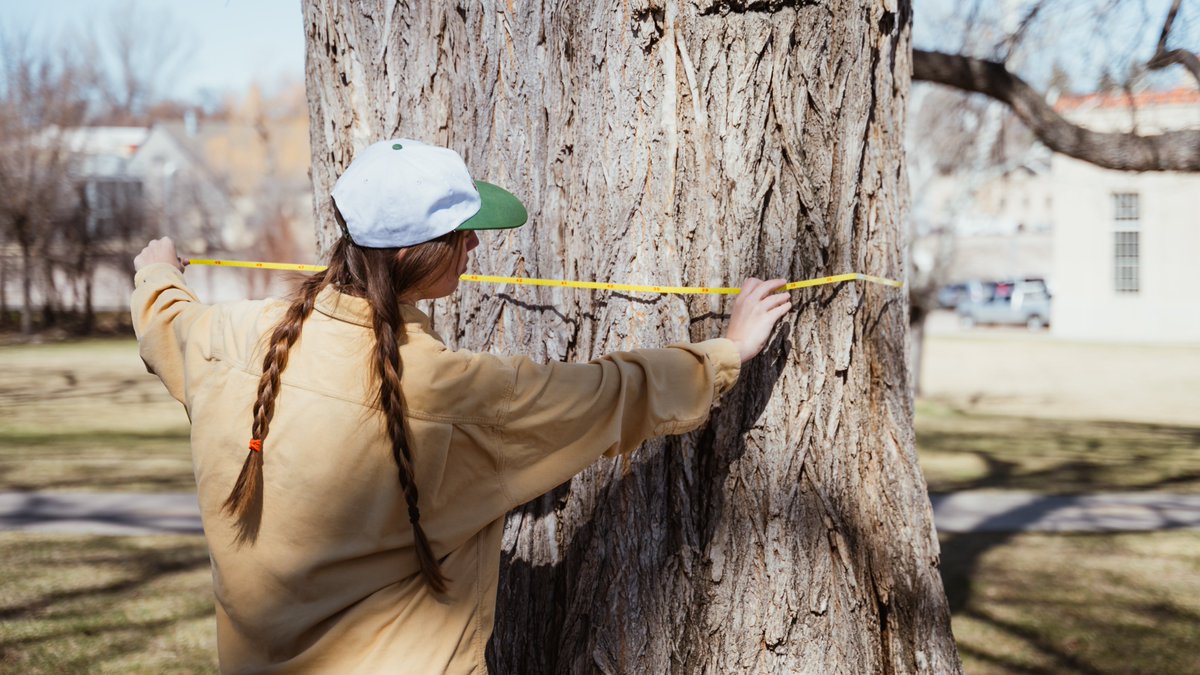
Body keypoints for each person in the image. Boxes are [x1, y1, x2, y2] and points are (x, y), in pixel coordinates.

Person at [132, 138, 791, 674]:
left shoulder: (225, 338)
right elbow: (608, 394)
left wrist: (157, 270)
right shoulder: (456, 396)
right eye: (462, 233)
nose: (476, 245)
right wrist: (726, 352)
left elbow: (165, 318)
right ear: (419, 253)